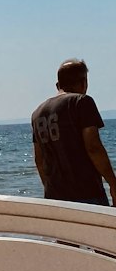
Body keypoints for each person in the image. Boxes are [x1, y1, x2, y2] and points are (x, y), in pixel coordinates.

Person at [31, 59, 116, 206]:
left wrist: (49, 190)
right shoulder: (81, 102)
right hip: (86, 192)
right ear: (84, 82)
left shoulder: (37, 113)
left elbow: (39, 159)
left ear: (58, 85)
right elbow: (93, 147)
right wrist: (113, 184)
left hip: (54, 196)